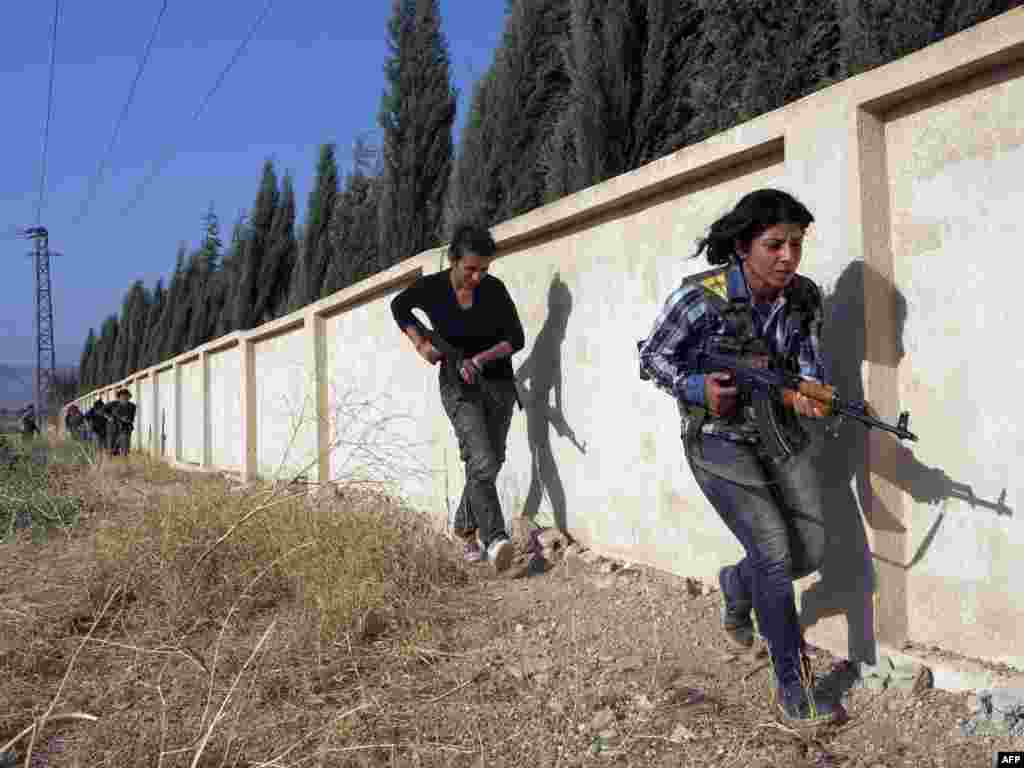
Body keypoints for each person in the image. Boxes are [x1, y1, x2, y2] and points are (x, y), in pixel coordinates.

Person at [639, 189, 839, 726]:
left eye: (797, 245)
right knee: (774, 553)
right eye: (775, 244)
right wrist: (696, 386)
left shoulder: (803, 297)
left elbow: (806, 367)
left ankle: (737, 583)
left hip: (779, 432)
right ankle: (793, 690)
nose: (788, 257)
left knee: (812, 550)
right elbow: (652, 356)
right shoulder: (699, 298)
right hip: (719, 439)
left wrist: (812, 395)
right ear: (743, 246)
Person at [390, 222, 526, 572]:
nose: (477, 277)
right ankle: (495, 538)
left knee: (491, 460)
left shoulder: (494, 290)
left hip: (498, 385)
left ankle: (465, 527)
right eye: (470, 269)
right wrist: (420, 343)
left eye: (484, 269)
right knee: (481, 459)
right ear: (453, 260)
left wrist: (481, 359)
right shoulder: (432, 289)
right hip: (457, 386)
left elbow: (516, 338)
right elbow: (400, 306)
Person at [107, 388, 137, 456]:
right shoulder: (113, 404)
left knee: (125, 450)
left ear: (129, 397)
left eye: (126, 397)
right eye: (123, 397)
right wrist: (109, 417)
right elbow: (103, 411)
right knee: (112, 451)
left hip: (125, 429)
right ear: (119, 397)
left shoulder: (132, 406)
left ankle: (124, 462)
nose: (125, 398)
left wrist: (126, 420)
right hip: (113, 429)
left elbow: (131, 418)